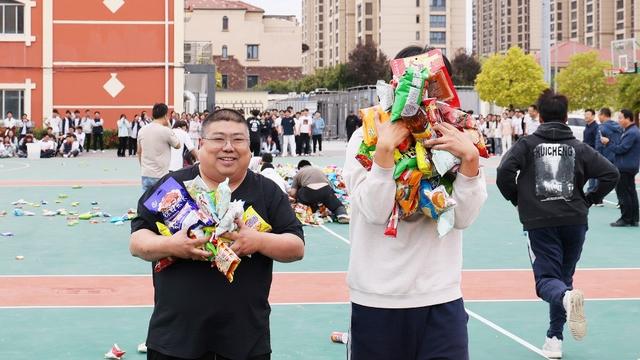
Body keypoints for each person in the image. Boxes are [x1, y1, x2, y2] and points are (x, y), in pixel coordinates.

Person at [342, 45, 487, 360]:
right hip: (378, 300)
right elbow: (375, 212)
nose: (423, 94)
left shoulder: (459, 139)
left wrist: (470, 161)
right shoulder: (366, 137)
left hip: (441, 297)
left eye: (433, 84)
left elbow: (462, 217)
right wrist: (382, 156)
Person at [130, 108, 304, 360]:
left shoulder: (267, 191)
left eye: (237, 139)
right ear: (201, 144)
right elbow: (137, 242)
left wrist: (257, 241)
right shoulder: (172, 187)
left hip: (245, 340)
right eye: (219, 139)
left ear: (249, 146)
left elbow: (296, 247)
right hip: (175, 339)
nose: (228, 147)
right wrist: (172, 245)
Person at [496, 91, 619, 359]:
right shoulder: (579, 147)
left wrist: (518, 198)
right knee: (563, 280)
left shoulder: (527, 145)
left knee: (547, 283)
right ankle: (554, 339)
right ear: (565, 117)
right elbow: (611, 173)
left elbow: (503, 172)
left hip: (539, 221)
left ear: (539, 115)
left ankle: (563, 307)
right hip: (574, 219)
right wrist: (591, 198)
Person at [600, 109, 640, 227]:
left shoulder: (631, 132)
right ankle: (633, 218)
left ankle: (626, 218)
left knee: (624, 193)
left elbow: (621, 149)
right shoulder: (632, 131)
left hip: (625, 167)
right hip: (629, 166)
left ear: (628, 119)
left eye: (621, 118)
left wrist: (608, 143)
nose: (619, 120)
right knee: (631, 192)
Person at [137, 103, 181, 192]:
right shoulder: (166, 131)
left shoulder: (142, 130)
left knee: (146, 202)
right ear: (165, 115)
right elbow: (177, 145)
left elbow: (139, 151)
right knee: (161, 203)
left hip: (146, 173)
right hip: (160, 175)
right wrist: (169, 127)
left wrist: (143, 166)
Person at [582, 109, 602, 206]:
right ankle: (591, 194)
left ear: (593, 116)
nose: (586, 116)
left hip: (593, 154)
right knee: (590, 175)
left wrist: (595, 153)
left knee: (594, 175)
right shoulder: (587, 127)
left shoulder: (596, 127)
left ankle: (596, 197)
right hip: (587, 154)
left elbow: (596, 142)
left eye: (588, 115)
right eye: (585, 114)